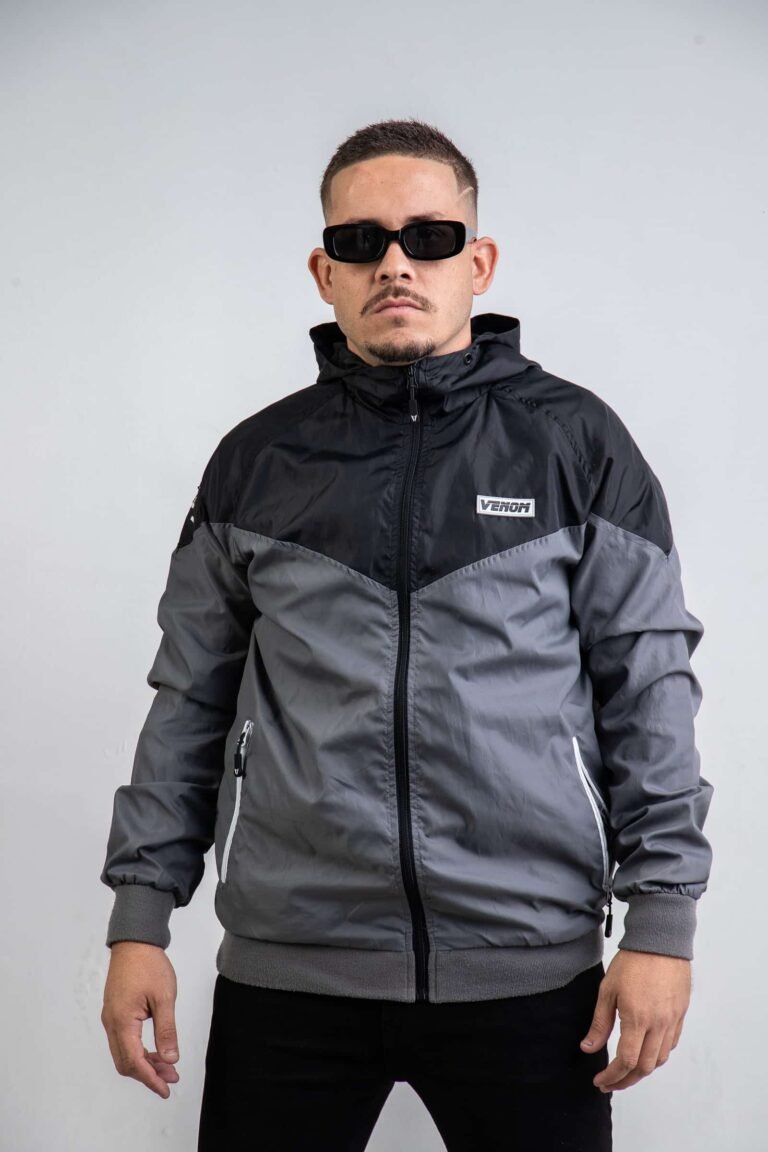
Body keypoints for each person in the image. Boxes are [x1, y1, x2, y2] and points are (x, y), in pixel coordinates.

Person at [99, 118, 713, 1151]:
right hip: (291, 969)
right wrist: (139, 919)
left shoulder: (578, 445)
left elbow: (648, 690)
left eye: (429, 237)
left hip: (528, 970)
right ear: (324, 272)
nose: (395, 263)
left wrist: (661, 922)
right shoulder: (256, 462)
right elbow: (189, 703)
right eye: (361, 241)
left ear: (478, 263)